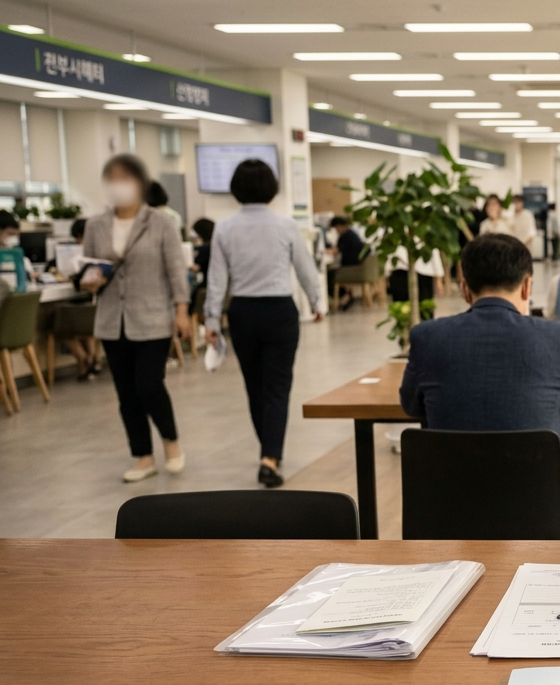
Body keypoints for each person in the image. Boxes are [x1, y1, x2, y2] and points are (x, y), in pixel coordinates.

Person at [399, 234, 560, 539]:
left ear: (464, 288)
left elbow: (410, 404)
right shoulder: (557, 338)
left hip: (448, 515)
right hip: (546, 516)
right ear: (527, 286)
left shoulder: (427, 337)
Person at [204, 159, 324, 488]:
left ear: (236, 189)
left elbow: (217, 279)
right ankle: (269, 457)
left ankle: (268, 453)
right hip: (279, 312)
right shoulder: (285, 226)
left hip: (242, 313)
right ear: (272, 187)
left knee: (254, 386)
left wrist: (211, 318)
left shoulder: (224, 228)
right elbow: (305, 268)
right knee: (277, 387)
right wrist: (316, 302)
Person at [85, 154, 190, 483]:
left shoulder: (160, 223)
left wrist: (182, 310)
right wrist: (89, 280)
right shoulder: (95, 225)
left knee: (149, 384)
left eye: (126, 178)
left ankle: (170, 441)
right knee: (126, 392)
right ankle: (143, 456)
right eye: (113, 179)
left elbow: (176, 270)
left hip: (153, 316)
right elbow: (87, 266)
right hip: (111, 319)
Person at [56, 218, 101, 380]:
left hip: (87, 315)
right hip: (97, 314)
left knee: (61, 324)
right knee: (87, 323)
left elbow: (78, 282)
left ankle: (82, 358)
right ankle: (92, 357)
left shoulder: (81, 257)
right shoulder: (103, 254)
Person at [326, 216, 367, 310]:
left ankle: (344, 296)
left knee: (330, 276)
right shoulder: (352, 234)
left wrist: (324, 251)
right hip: (358, 266)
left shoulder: (345, 236)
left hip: (351, 267)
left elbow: (336, 250)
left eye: (336, 229)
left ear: (339, 226)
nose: (336, 231)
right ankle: (346, 295)